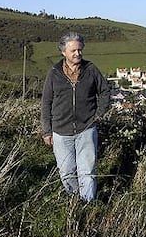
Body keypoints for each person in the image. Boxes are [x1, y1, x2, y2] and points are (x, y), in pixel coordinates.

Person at [41, 32, 110, 202]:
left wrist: (99, 115)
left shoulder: (91, 69)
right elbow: (46, 102)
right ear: (63, 52)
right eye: (73, 51)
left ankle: (88, 204)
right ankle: (73, 202)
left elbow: (105, 92)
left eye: (79, 50)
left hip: (86, 129)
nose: (77, 54)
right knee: (66, 172)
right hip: (60, 132)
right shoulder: (54, 73)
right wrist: (46, 131)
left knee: (87, 171)